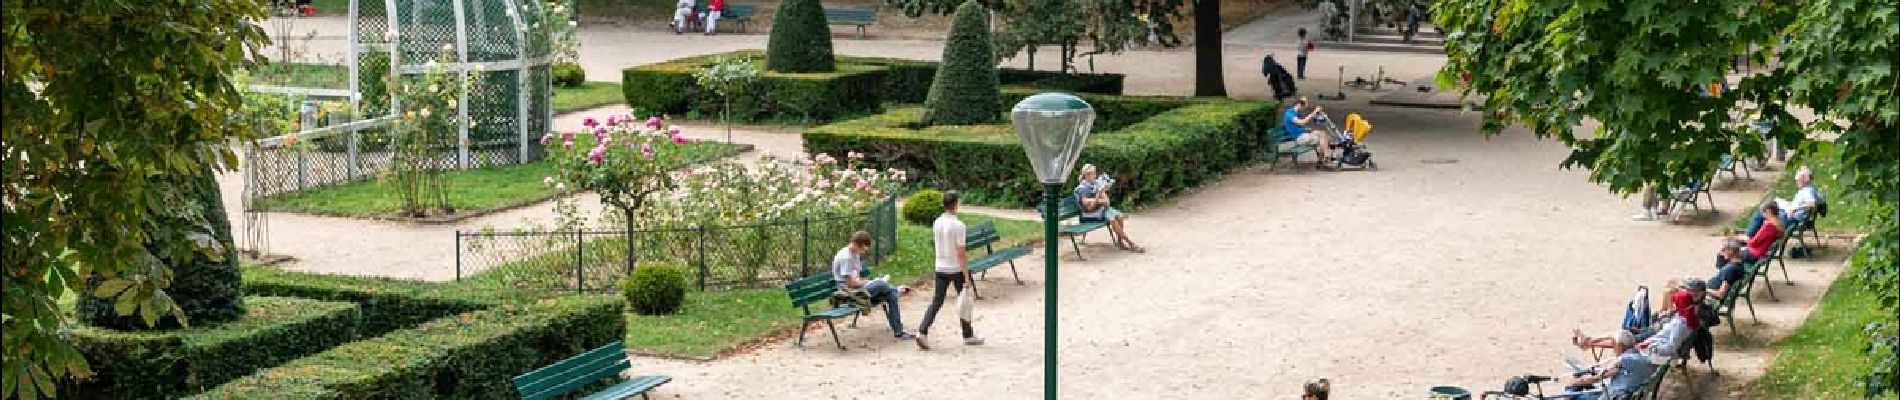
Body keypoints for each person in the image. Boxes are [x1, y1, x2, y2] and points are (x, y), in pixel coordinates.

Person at [917, 191, 983, 349]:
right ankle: (968, 334)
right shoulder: (959, 225)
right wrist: (966, 276)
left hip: (940, 267)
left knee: (937, 301)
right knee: (965, 302)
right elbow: (961, 253)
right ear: (955, 204)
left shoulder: (937, 222)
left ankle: (922, 331)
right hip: (955, 268)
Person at [832, 231, 917, 342]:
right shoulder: (846, 257)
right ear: (859, 244)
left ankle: (898, 332)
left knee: (891, 294)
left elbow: (855, 277)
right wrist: (868, 283)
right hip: (848, 293)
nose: (864, 251)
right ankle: (897, 289)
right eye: (864, 248)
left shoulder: (855, 254)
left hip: (858, 289)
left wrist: (868, 282)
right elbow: (849, 284)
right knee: (882, 285)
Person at [1559, 332, 1657, 400]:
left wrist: (1575, 383)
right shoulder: (1644, 359)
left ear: (1620, 346)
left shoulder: (1623, 360)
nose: (1613, 348)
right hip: (1631, 394)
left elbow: (1599, 377)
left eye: (1614, 345)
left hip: (1615, 396)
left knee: (1572, 390)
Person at [1075, 164, 1144, 253]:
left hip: (1100, 210)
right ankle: (1131, 244)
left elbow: (1107, 203)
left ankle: (1120, 242)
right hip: (1088, 214)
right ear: (1087, 175)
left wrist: (1101, 193)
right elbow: (1090, 208)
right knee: (1112, 219)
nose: (1095, 176)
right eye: (1093, 174)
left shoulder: (1096, 184)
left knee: (1119, 216)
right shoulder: (1082, 189)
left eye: (1095, 174)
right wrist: (1099, 196)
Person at [1746, 166, 1823, 236]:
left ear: (1804, 179)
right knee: (1769, 208)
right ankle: (1753, 237)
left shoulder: (1807, 191)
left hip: (1791, 220)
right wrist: (1790, 205)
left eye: (1798, 180)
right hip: (1793, 217)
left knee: (1761, 213)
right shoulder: (1809, 189)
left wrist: (1794, 209)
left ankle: (1749, 236)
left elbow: (1812, 204)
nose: (1796, 182)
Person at [1723, 202, 1785, 271]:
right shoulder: (1779, 222)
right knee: (1731, 247)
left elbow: (1753, 242)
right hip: (1762, 251)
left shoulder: (1769, 226)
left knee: (1725, 254)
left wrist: (1742, 239)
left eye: (1763, 213)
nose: (1763, 216)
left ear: (1769, 211)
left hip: (1756, 253)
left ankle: (1729, 277)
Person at [1279, 97, 1335, 166]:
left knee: (1324, 133)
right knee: (1323, 138)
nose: (1304, 108)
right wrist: (1314, 112)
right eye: (1304, 106)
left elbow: (1297, 126)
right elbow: (1302, 122)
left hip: (1303, 135)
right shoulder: (1289, 114)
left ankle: (1323, 159)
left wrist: (1306, 129)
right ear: (1299, 104)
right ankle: (1326, 159)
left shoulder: (1296, 113)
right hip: (1299, 138)